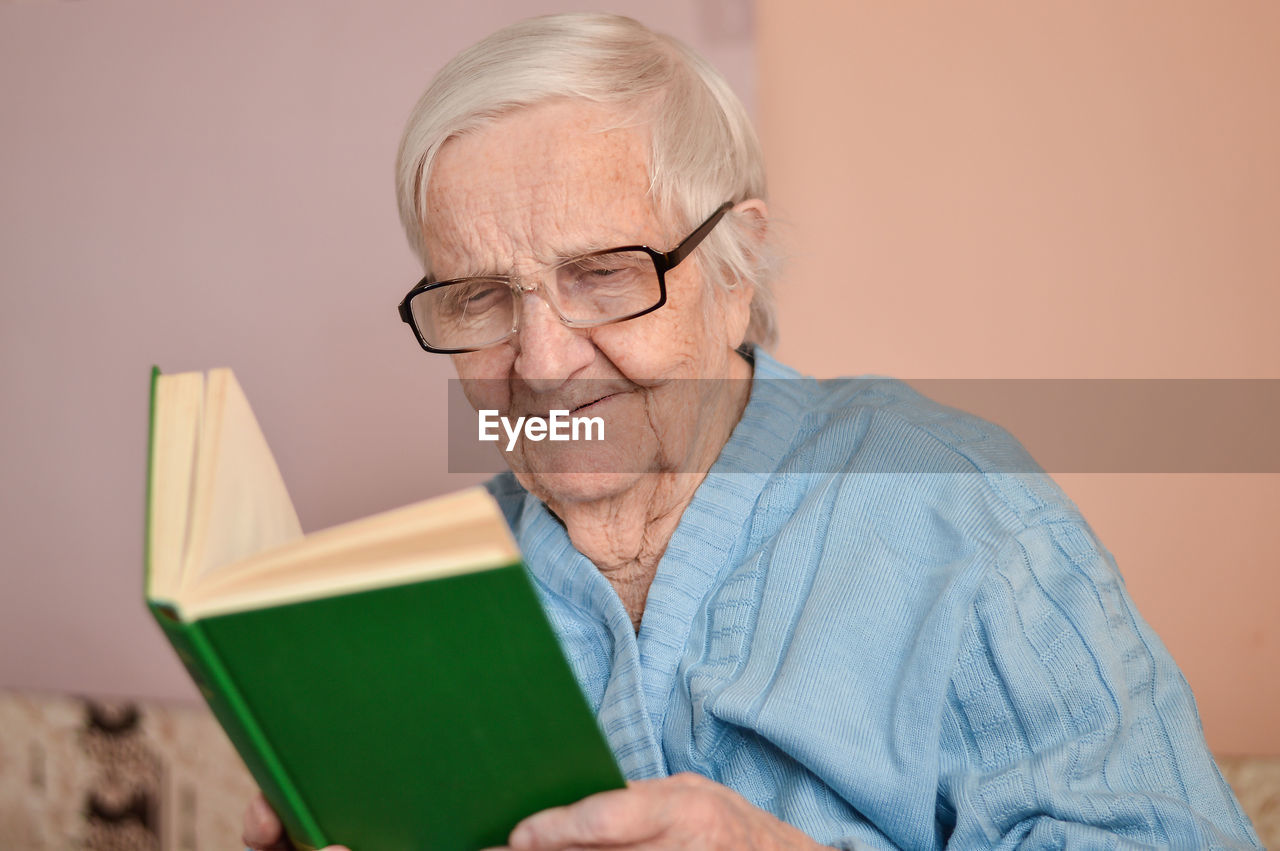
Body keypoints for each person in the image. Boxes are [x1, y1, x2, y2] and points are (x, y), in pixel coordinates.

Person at [244, 13, 1261, 851]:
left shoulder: (958, 508)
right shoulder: (422, 601)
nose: (543, 361)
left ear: (735, 273)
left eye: (603, 275)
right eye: (478, 297)